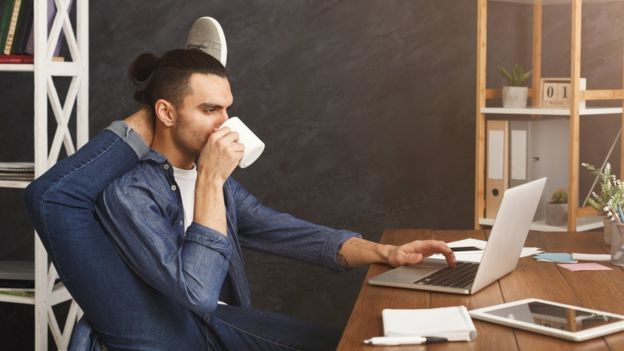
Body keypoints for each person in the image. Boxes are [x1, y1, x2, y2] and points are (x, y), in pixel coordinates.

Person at [25, 21, 456, 351]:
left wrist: (384, 253)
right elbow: (196, 291)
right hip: (189, 332)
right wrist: (210, 178)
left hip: (220, 325)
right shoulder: (132, 193)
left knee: (351, 340)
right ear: (167, 113)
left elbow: (283, 230)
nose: (225, 123)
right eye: (209, 109)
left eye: (227, 109)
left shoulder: (213, 181)